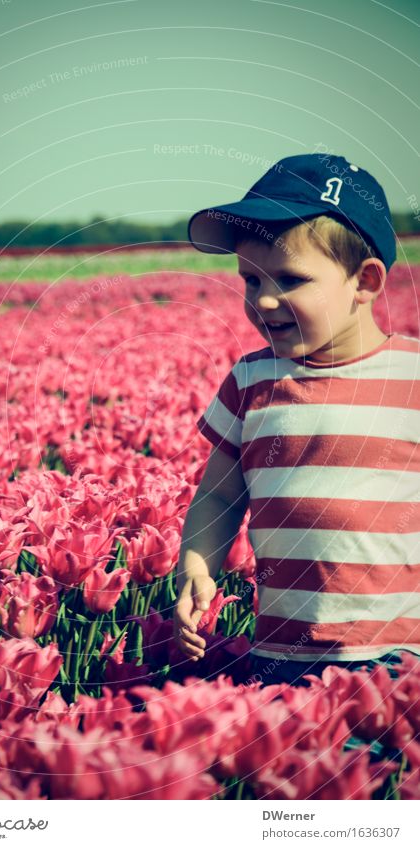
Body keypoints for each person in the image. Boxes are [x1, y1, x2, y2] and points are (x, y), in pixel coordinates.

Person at [172, 152, 420, 687]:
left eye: (289, 279)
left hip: (401, 656)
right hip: (283, 651)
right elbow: (218, 496)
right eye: (249, 279)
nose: (263, 299)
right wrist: (196, 567)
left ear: (366, 281)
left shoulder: (414, 378)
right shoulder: (251, 380)